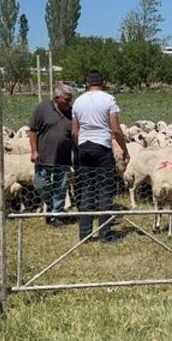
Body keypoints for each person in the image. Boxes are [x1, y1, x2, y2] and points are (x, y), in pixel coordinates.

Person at [71, 70, 129, 243]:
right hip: (102, 147)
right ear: (102, 82)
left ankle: (85, 234)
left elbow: (74, 131)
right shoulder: (108, 99)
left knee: (86, 190)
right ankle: (105, 234)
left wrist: (81, 146)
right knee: (105, 191)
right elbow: (116, 129)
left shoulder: (78, 101)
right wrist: (125, 150)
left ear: (86, 83)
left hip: (83, 147)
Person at [28, 85, 74, 227]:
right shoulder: (42, 109)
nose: (69, 103)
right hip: (44, 156)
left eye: (70, 100)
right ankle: (50, 205)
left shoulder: (72, 113)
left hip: (63, 157)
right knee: (41, 183)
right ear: (57, 98)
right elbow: (33, 131)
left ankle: (56, 215)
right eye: (66, 100)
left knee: (61, 186)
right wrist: (34, 150)